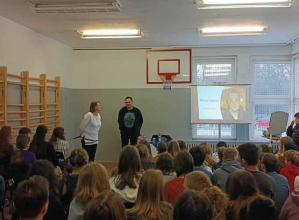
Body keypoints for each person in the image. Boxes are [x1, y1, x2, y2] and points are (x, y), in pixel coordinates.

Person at [60, 148, 89, 215]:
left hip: (69, 214)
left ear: (70, 161)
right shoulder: (89, 179)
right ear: (85, 162)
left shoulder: (64, 180)